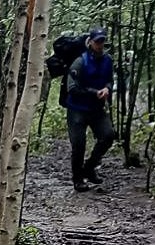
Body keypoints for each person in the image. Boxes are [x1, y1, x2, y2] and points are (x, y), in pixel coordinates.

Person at [64, 28, 116, 192]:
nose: (100, 44)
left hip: (96, 109)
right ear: (90, 42)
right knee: (79, 145)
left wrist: (107, 88)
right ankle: (78, 179)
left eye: (102, 41)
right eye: (97, 41)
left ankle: (90, 167)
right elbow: (71, 88)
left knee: (108, 136)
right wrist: (95, 92)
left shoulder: (108, 60)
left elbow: (110, 80)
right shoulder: (80, 62)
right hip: (77, 109)